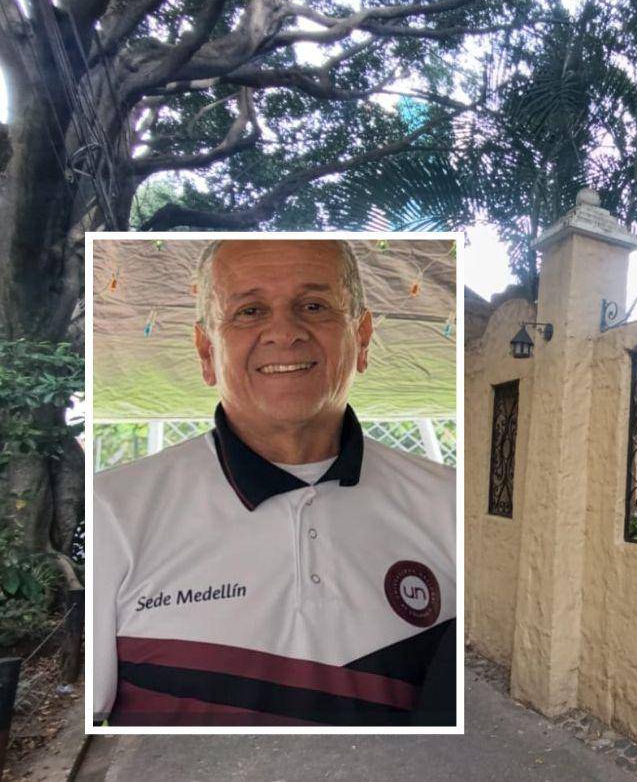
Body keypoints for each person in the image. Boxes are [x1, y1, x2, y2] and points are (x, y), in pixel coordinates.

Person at [92, 239, 456, 726]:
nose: (284, 333)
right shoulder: (113, 510)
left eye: (314, 306)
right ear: (206, 350)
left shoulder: (451, 503)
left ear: (362, 338)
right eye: (249, 311)